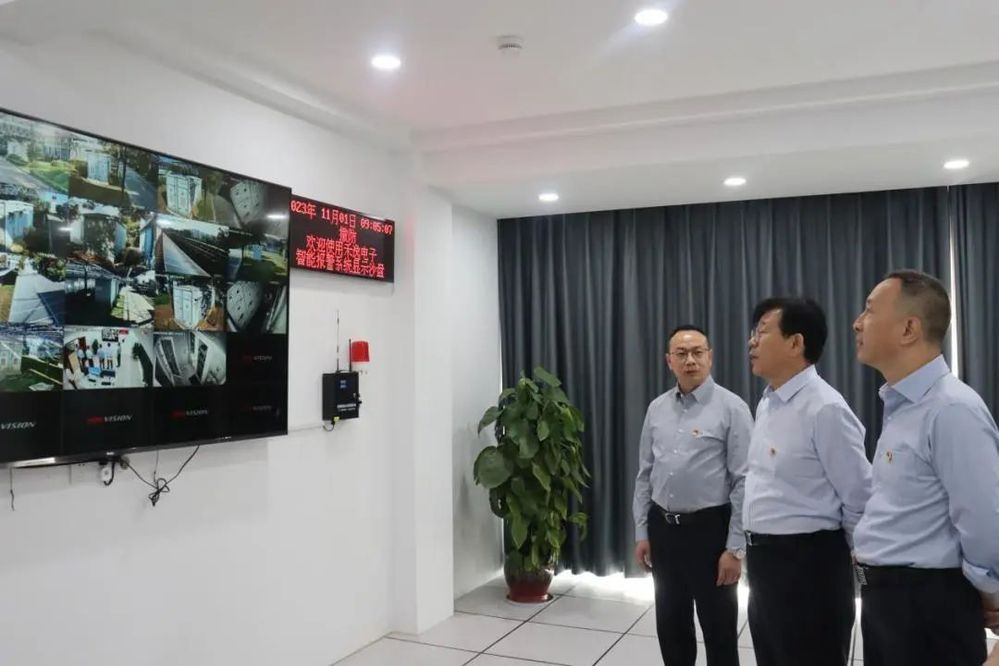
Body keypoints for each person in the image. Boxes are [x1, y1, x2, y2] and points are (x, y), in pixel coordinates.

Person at [852, 270, 999, 666]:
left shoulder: (951, 409)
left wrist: (990, 593)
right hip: (889, 603)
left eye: (869, 310)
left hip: (927, 608)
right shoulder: (903, 405)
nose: (857, 323)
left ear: (909, 329)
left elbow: (984, 520)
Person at [743, 297, 872, 666]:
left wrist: (862, 572)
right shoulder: (768, 402)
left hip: (809, 568)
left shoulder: (825, 409)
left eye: (762, 332)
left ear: (795, 343)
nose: (752, 342)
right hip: (765, 564)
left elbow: (859, 496)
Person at [633, 325, 752, 666]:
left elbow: (745, 481)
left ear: (710, 357)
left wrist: (735, 549)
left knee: (719, 629)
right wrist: (642, 532)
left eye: (698, 352)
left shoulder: (732, 408)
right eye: (682, 354)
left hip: (710, 531)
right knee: (671, 625)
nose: (690, 360)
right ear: (669, 360)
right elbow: (645, 474)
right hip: (664, 529)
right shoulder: (657, 408)